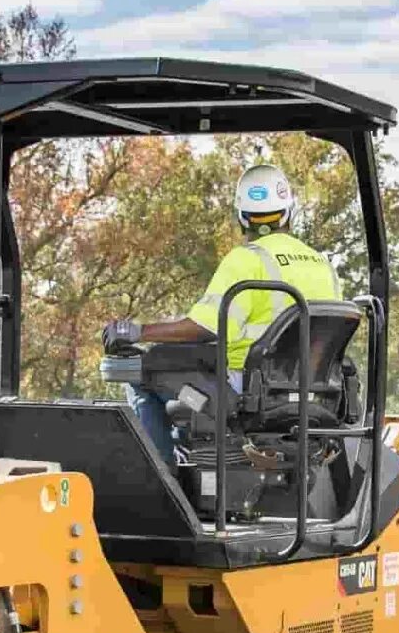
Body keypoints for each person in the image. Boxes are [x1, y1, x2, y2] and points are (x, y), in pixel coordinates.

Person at [104, 164, 339, 465]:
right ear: (288, 212)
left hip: (245, 395)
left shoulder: (248, 260)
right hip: (312, 396)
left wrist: (138, 332)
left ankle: (162, 480)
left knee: (141, 373)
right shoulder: (323, 265)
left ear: (242, 217)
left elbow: (205, 327)